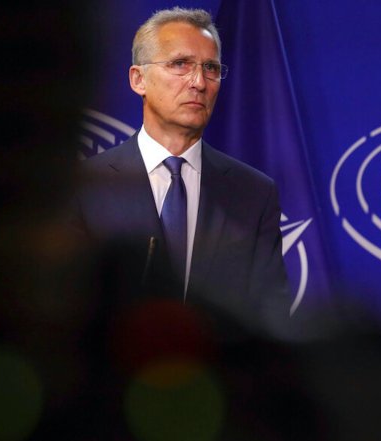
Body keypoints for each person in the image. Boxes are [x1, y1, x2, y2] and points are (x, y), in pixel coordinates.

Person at [72, 7, 290, 321]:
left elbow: (271, 314)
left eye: (211, 68)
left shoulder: (254, 194)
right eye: (180, 64)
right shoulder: (87, 187)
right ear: (138, 79)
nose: (199, 82)